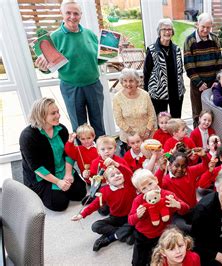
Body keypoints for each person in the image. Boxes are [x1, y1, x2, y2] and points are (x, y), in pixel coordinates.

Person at [34, 0, 106, 136]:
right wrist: (42, 68)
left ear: (81, 15)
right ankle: (82, 155)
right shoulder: (54, 38)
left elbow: (97, 60)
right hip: (71, 88)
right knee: (79, 127)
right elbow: (49, 67)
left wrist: (111, 52)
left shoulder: (89, 34)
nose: (72, 17)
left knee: (98, 124)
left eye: (76, 13)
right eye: (68, 13)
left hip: (94, 85)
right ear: (62, 13)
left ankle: (102, 153)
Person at [19, 97, 86, 211]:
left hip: (62, 170)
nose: (58, 115)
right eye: (53, 113)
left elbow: (69, 152)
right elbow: (37, 167)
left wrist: (68, 174)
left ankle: (63, 187)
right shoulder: (28, 136)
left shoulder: (61, 129)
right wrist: (58, 182)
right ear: (41, 115)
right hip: (43, 176)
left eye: (58, 112)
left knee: (80, 193)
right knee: (59, 204)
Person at [129, 169, 190, 266]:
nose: (149, 189)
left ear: (156, 180)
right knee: (137, 262)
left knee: (158, 260)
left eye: (150, 184)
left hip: (162, 236)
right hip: (142, 236)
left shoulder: (167, 195)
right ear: (139, 191)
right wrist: (137, 215)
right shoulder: (138, 200)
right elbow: (130, 221)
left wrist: (177, 204)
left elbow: (186, 209)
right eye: (144, 188)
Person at [71, 160, 135, 252]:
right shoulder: (105, 191)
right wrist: (82, 214)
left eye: (119, 173)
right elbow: (95, 204)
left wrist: (117, 164)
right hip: (115, 218)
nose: (117, 175)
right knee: (96, 226)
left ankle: (111, 237)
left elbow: (128, 172)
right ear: (108, 182)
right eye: (112, 175)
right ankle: (122, 233)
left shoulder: (129, 184)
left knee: (137, 225)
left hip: (130, 217)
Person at [155, 147, 209, 233]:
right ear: (169, 166)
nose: (180, 169)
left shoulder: (190, 171)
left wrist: (204, 156)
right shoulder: (166, 180)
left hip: (193, 208)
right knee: (182, 227)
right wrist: (161, 170)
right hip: (177, 213)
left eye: (183, 166)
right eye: (176, 166)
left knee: (206, 220)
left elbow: (205, 166)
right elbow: (156, 186)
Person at [183, 13, 222, 128]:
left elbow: (219, 62)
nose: (205, 30)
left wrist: (216, 80)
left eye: (208, 27)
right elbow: (188, 65)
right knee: (198, 114)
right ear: (197, 25)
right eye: (203, 27)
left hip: (213, 83)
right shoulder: (190, 40)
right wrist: (199, 83)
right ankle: (197, 140)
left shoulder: (215, 39)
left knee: (212, 113)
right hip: (197, 84)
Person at [144, 18, 185, 118]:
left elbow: (180, 70)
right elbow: (146, 73)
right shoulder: (152, 50)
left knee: (176, 120)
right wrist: (146, 93)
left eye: (169, 29)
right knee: (162, 122)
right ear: (159, 32)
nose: (167, 32)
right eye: (164, 29)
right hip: (159, 93)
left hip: (176, 92)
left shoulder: (177, 49)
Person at [113, 68, 157, 154]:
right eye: (125, 81)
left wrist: (147, 132)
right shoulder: (117, 97)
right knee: (132, 161)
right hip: (129, 136)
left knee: (150, 158)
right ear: (121, 82)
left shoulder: (145, 95)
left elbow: (152, 115)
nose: (128, 84)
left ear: (137, 82)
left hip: (147, 134)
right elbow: (119, 120)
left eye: (131, 81)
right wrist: (135, 134)